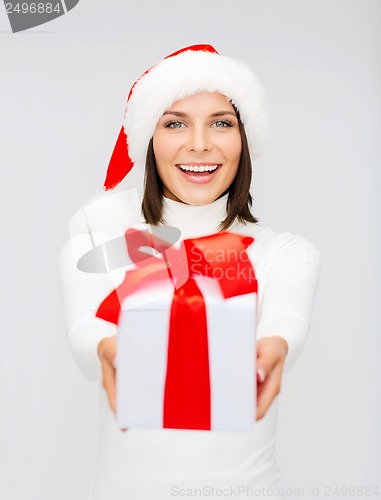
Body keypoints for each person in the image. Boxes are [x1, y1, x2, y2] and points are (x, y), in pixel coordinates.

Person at [59, 44, 320, 500]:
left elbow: (285, 320)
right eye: (175, 122)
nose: (199, 143)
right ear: (148, 142)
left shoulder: (282, 252)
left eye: (221, 122)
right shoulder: (101, 246)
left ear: (244, 139)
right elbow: (86, 330)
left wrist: (275, 346)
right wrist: (106, 348)